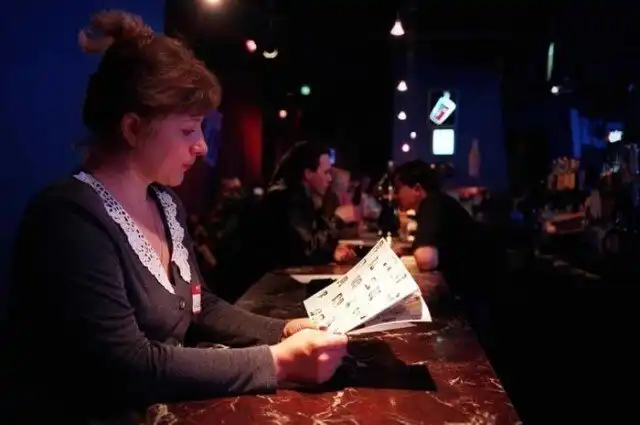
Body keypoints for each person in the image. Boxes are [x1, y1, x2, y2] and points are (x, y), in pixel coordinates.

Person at [5, 11, 347, 423]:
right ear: (133, 128)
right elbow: (128, 367)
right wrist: (277, 362)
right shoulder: (69, 218)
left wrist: (283, 330)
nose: (202, 146)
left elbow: (202, 306)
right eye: (188, 130)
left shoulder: (165, 204)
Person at [393, 160, 487, 293]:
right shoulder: (437, 201)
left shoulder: (431, 204)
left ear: (417, 189)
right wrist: (407, 251)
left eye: (398, 188)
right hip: (474, 285)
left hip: (475, 292)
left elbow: (427, 259)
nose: (396, 195)